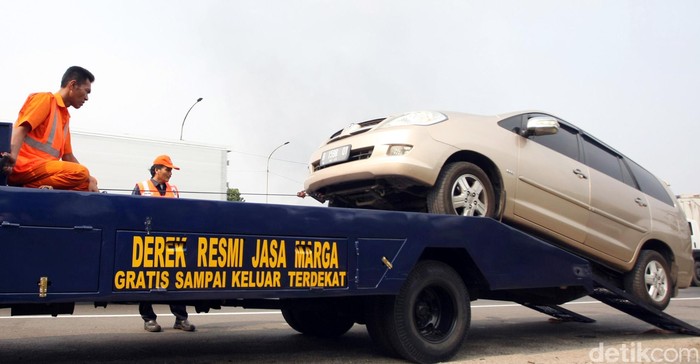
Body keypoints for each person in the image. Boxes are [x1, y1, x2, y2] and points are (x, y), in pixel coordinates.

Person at [1, 66, 98, 191]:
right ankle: (28, 188)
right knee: (81, 172)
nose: (86, 98)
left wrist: (90, 179)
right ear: (73, 85)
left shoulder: (64, 117)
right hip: (23, 167)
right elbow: (20, 129)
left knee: (87, 185)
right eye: (86, 91)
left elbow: (68, 157)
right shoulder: (45, 100)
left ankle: (43, 189)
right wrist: (11, 159)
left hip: (43, 171)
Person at [132, 154, 195, 332]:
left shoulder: (173, 189)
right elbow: (133, 214)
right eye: (167, 169)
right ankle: (149, 319)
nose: (170, 173)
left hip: (171, 240)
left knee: (176, 279)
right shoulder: (141, 186)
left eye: (171, 170)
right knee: (147, 279)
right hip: (148, 241)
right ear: (157, 169)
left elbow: (179, 214)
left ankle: (181, 319)